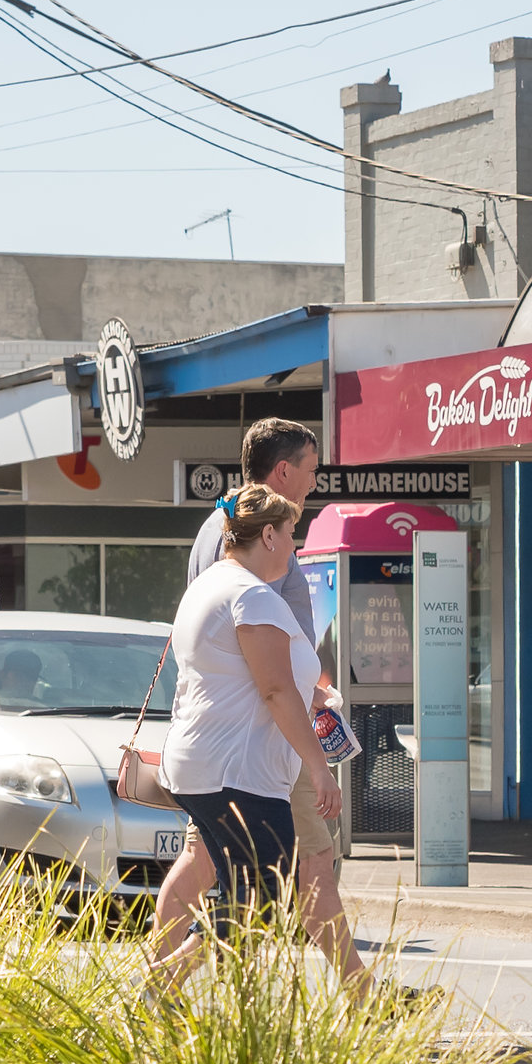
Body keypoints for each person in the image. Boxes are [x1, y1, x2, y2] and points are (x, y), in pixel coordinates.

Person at [148, 418, 358, 979]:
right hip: (253, 750)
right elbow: (269, 682)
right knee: (293, 875)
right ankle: (161, 982)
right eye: (311, 472)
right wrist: (316, 758)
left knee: (220, 876)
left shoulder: (216, 547)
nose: (312, 486)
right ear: (282, 473)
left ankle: (163, 983)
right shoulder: (252, 583)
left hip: (219, 749)